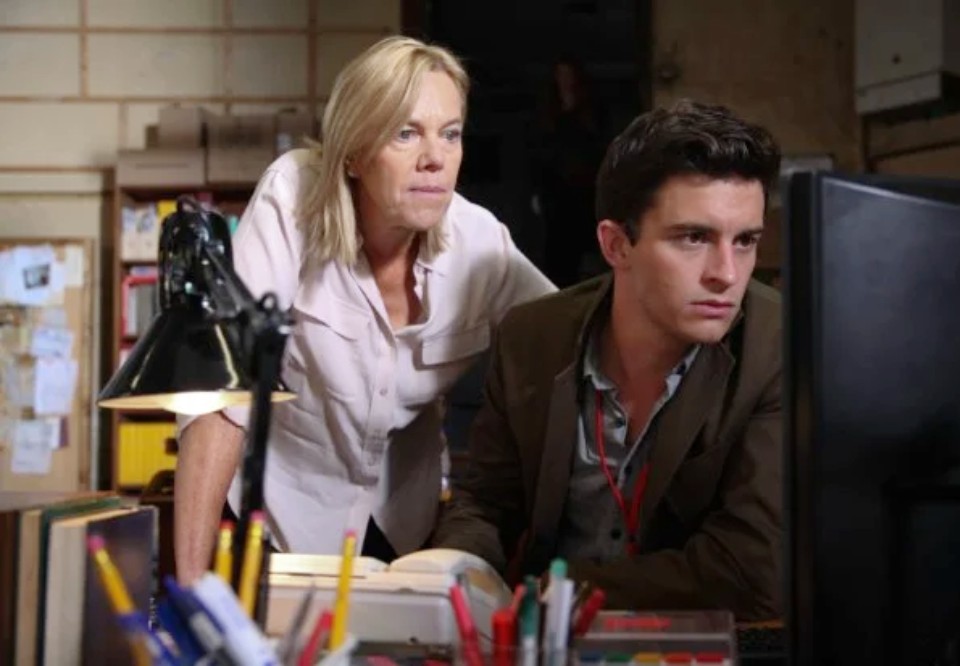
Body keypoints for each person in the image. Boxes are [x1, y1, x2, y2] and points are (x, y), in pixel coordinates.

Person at [173, 36, 554, 584]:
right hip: (278, 511)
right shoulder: (293, 195)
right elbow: (221, 396)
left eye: (450, 134)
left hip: (401, 519)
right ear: (352, 152)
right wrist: (191, 587)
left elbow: (567, 341)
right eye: (406, 133)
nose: (435, 158)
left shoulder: (478, 241)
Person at [431, 99, 783, 621]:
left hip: (698, 643)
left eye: (746, 241)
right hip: (541, 641)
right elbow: (486, 503)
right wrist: (453, 579)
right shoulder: (532, 338)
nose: (727, 274)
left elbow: (750, 570)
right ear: (617, 245)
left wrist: (557, 589)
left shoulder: (778, 346)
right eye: (694, 238)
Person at [529, 56, 609, 288]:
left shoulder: (592, 113)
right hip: (555, 196)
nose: (565, 81)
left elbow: (600, 149)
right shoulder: (547, 114)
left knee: (587, 252)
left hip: (585, 191)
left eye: (569, 75)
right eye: (560, 76)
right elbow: (538, 153)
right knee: (558, 255)